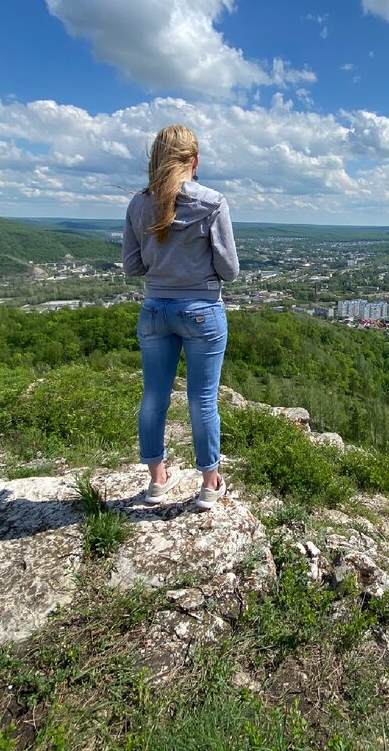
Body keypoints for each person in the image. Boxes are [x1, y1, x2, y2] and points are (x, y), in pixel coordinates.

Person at [122, 125, 239, 510]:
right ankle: (209, 484)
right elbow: (229, 270)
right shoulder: (212, 203)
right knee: (202, 400)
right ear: (195, 161)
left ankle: (157, 481)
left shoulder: (139, 205)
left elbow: (133, 267)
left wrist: (165, 264)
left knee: (154, 395)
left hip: (155, 309)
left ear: (156, 160)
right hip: (201, 311)